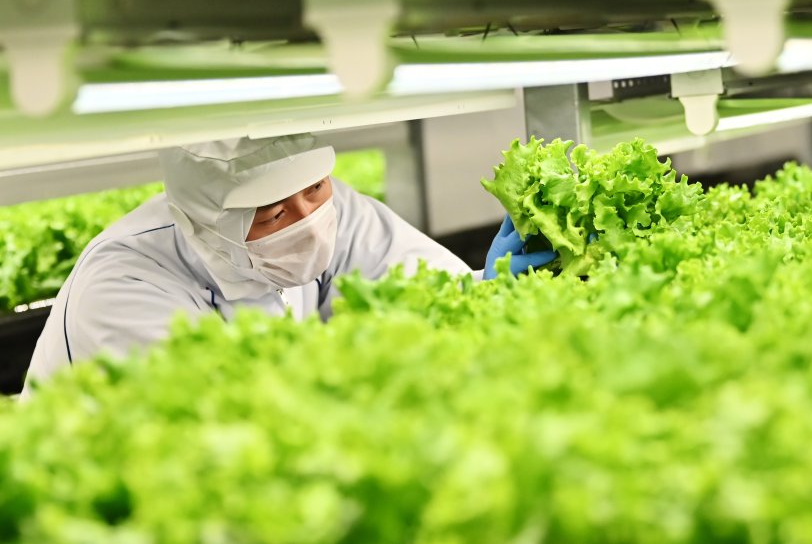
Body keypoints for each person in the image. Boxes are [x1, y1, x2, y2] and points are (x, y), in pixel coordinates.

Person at [21, 133, 554, 396]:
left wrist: (482, 292)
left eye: (316, 189)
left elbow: (423, 290)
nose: (308, 219)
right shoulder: (125, 284)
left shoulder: (325, 204)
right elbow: (227, 431)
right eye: (274, 211)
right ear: (210, 220)